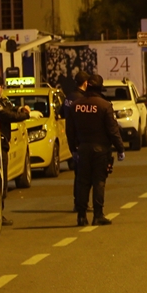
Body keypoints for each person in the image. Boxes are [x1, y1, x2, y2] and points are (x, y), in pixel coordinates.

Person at [67, 73, 125, 225]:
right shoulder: (105, 105)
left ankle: (81, 216)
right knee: (99, 181)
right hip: (101, 150)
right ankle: (98, 215)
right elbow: (113, 130)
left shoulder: (75, 106)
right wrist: (120, 149)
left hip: (83, 149)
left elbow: (70, 131)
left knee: (82, 182)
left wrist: (73, 149)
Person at [0, 75, 31, 225]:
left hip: (2, 143)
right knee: (1, 179)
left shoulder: (1, 100)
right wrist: (25, 114)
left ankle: (0, 212)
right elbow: (8, 115)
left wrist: (20, 108)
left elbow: (11, 107)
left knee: (2, 178)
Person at [61, 70, 89, 206]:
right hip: (82, 138)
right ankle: (81, 202)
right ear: (85, 83)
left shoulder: (68, 97)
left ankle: (77, 201)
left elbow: (61, 113)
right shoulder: (82, 99)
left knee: (78, 174)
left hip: (71, 137)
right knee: (85, 174)